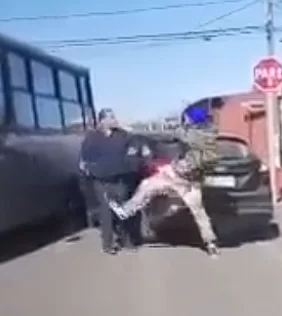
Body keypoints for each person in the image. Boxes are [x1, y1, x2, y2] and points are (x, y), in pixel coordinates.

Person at [107, 109, 220, 258]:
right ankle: (211, 244)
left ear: (193, 119)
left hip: (178, 176)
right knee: (199, 213)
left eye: (187, 118)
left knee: (148, 185)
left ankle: (126, 210)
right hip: (193, 180)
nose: (185, 120)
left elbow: (171, 135)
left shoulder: (192, 134)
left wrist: (134, 132)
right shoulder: (210, 134)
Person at [80, 108, 140, 255]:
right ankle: (108, 244)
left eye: (114, 117)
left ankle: (127, 241)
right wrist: (92, 171)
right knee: (106, 213)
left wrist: (130, 163)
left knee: (123, 212)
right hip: (101, 181)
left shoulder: (123, 136)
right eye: (111, 117)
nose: (114, 119)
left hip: (120, 179)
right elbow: (85, 159)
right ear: (102, 121)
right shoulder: (92, 138)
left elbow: (133, 151)